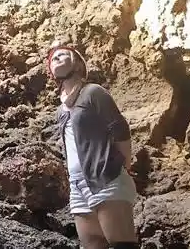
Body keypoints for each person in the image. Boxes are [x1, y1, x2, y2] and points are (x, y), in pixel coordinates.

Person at [47, 42, 139, 249]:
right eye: (53, 58)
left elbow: (120, 128)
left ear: (79, 64)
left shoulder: (93, 92)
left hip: (105, 176)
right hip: (78, 184)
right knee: (93, 245)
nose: (57, 58)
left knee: (121, 244)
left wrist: (122, 166)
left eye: (64, 55)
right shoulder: (61, 110)